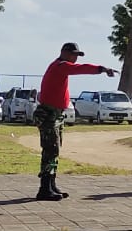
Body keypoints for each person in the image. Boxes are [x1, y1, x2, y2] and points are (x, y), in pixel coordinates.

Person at [35, 42, 117, 201]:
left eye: (76, 55)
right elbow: (81, 69)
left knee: (55, 149)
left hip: (57, 114)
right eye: (73, 54)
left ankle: (51, 184)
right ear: (64, 53)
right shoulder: (60, 65)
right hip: (48, 114)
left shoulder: (63, 68)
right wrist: (101, 69)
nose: (74, 58)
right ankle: (44, 188)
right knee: (50, 150)